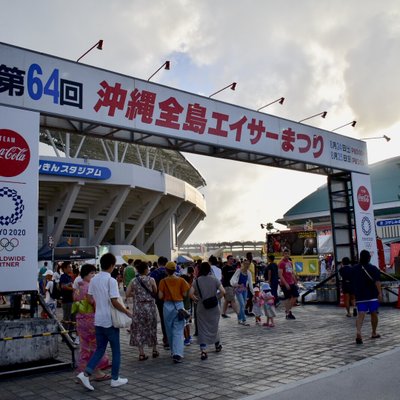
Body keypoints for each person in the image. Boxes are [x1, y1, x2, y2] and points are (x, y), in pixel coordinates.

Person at [77, 252, 132, 391]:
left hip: (98, 320)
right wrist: (126, 311)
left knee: (100, 348)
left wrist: (99, 303)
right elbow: (114, 301)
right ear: (112, 265)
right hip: (109, 320)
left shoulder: (94, 279)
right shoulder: (111, 280)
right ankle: (115, 379)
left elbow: (89, 298)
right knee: (116, 351)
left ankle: (86, 373)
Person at [73, 263, 110, 381]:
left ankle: (81, 374)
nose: (94, 275)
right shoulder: (90, 287)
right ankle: (98, 372)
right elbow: (95, 303)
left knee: (84, 347)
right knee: (96, 345)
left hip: (80, 319)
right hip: (91, 320)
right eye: (91, 273)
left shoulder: (78, 288)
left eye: (94, 273)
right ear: (85, 275)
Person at [158, 261, 191, 364]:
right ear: (175, 270)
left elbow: (160, 296)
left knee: (169, 329)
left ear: (166, 270)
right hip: (179, 306)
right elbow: (185, 293)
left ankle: (173, 351)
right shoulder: (181, 280)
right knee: (178, 330)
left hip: (167, 306)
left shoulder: (163, 281)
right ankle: (178, 353)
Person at [126, 261, 159, 360]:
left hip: (138, 308)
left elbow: (127, 293)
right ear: (146, 269)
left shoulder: (133, 281)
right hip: (150, 307)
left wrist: (136, 294)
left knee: (139, 329)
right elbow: (155, 291)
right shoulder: (151, 279)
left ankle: (141, 353)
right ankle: (154, 350)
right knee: (152, 327)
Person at [192, 261, 225, 360]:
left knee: (202, 329)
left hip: (202, 308)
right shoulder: (214, 279)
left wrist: (196, 299)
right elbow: (223, 291)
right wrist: (216, 298)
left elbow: (190, 293)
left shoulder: (196, 281)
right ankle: (217, 344)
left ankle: (203, 351)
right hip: (214, 308)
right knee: (214, 327)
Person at [352, 250, 383, 345]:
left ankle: (358, 332)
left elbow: (353, 284)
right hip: (372, 295)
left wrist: (353, 297)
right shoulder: (373, 268)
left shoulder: (354, 269)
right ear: (369, 258)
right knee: (374, 313)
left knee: (360, 315)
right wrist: (380, 293)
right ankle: (373, 332)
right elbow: (377, 282)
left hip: (360, 296)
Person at [150, 256, 169, 349]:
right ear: (167, 263)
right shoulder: (171, 271)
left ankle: (166, 339)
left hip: (159, 299)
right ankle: (173, 338)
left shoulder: (153, 273)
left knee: (163, 318)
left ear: (158, 263)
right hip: (172, 299)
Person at [230, 259, 254, 326]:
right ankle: (243, 320)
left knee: (243, 305)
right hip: (238, 289)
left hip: (245, 290)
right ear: (243, 264)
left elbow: (250, 283)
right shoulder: (238, 271)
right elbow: (232, 280)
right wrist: (236, 284)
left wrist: (253, 292)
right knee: (242, 304)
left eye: (248, 264)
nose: (247, 265)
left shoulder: (248, 273)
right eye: (245, 264)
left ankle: (239, 318)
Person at [278, 249, 299, 320]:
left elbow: (292, 273)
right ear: (283, 254)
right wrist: (286, 284)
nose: (286, 255)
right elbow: (280, 275)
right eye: (285, 254)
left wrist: (295, 280)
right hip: (284, 283)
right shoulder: (281, 263)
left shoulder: (290, 262)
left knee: (296, 295)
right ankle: (288, 313)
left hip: (291, 282)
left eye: (288, 254)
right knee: (287, 298)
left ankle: (287, 310)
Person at [59, 261, 75, 337]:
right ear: (64, 268)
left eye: (71, 267)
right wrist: (73, 289)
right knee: (67, 318)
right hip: (66, 300)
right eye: (69, 267)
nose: (71, 268)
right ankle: (65, 336)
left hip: (71, 300)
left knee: (72, 318)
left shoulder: (69, 277)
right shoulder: (63, 276)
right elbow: (63, 286)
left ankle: (70, 334)